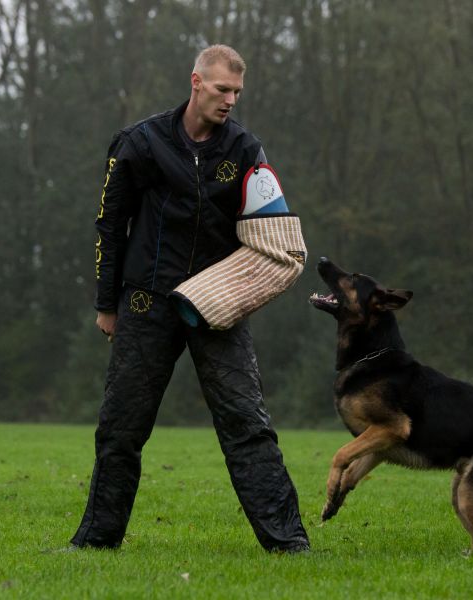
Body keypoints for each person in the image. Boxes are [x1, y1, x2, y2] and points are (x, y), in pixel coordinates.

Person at [71, 44, 310, 553]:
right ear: (196, 82)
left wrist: (251, 287)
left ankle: (288, 543)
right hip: (146, 302)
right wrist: (105, 303)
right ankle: (96, 541)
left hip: (216, 305)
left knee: (248, 425)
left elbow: (272, 230)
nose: (230, 100)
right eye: (223, 89)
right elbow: (110, 226)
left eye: (237, 92)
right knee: (121, 427)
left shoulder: (246, 150)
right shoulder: (139, 143)